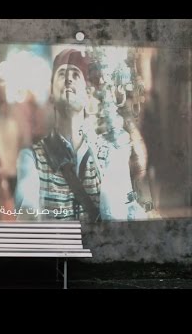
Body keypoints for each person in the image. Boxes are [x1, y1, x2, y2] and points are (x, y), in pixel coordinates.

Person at [15, 48, 146, 221]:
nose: (69, 79)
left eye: (76, 75)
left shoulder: (110, 156)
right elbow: (28, 220)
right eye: (62, 74)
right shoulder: (31, 159)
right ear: (51, 95)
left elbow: (122, 218)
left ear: (87, 94)